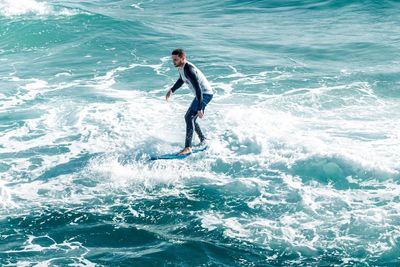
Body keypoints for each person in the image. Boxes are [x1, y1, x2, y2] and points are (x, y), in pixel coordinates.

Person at [165, 48, 214, 155]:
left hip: (204, 94)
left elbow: (198, 89)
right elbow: (182, 79)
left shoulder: (189, 70)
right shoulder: (181, 67)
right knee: (192, 118)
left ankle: (188, 147)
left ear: (183, 58)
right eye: (173, 59)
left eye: (176, 60)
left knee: (189, 117)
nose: (174, 62)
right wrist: (172, 90)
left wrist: (200, 108)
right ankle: (203, 140)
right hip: (201, 95)